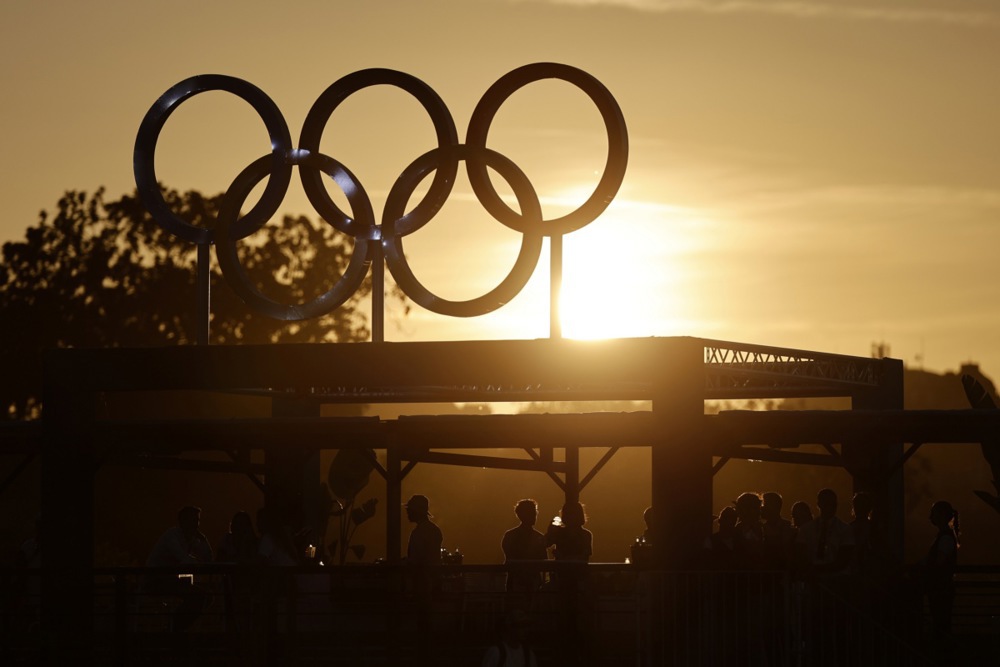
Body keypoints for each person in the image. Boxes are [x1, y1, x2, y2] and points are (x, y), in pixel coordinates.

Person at [145, 506, 214, 632]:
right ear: (183, 521)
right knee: (202, 596)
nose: (196, 525)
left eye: (197, 520)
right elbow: (183, 558)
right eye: (194, 520)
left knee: (205, 596)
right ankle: (176, 626)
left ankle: (176, 626)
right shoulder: (172, 536)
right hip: (155, 581)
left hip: (169, 581)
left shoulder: (189, 539)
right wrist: (197, 561)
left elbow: (208, 557)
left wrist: (203, 539)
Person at [794, 488, 854, 576]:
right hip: (813, 577)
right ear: (819, 504)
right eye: (827, 503)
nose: (831, 507)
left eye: (833, 504)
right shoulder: (806, 529)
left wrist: (817, 569)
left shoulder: (845, 529)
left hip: (837, 577)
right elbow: (801, 554)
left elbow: (844, 558)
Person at [923, 500, 959, 642]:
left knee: (940, 622)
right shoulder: (945, 536)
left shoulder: (944, 538)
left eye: (934, 513)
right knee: (941, 622)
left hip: (941, 588)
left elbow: (939, 562)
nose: (931, 517)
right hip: (942, 587)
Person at [501, 499, 548, 595]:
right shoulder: (538, 537)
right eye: (532, 513)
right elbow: (544, 559)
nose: (535, 515)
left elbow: (509, 557)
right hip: (531, 580)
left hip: (516, 579)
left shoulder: (510, 535)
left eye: (534, 512)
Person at [761, 492, 795, 570]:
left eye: (765, 504)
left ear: (774, 506)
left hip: (780, 569)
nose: (762, 507)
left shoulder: (786, 526)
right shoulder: (761, 526)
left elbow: (787, 551)